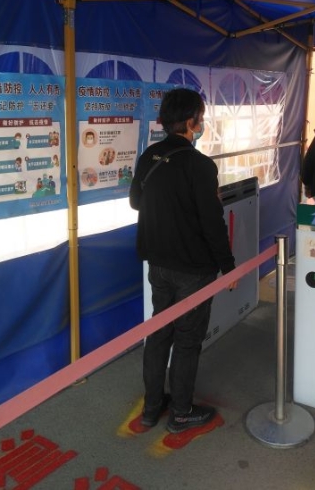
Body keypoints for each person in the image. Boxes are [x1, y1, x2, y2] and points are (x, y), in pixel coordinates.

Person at [129, 88, 236, 433]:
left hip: (157, 264)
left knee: (159, 333)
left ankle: (151, 408)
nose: (201, 123)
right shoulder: (199, 165)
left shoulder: (150, 156)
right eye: (200, 118)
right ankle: (181, 412)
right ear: (191, 122)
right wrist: (228, 268)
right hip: (193, 269)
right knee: (188, 340)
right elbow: (212, 224)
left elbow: (136, 202)